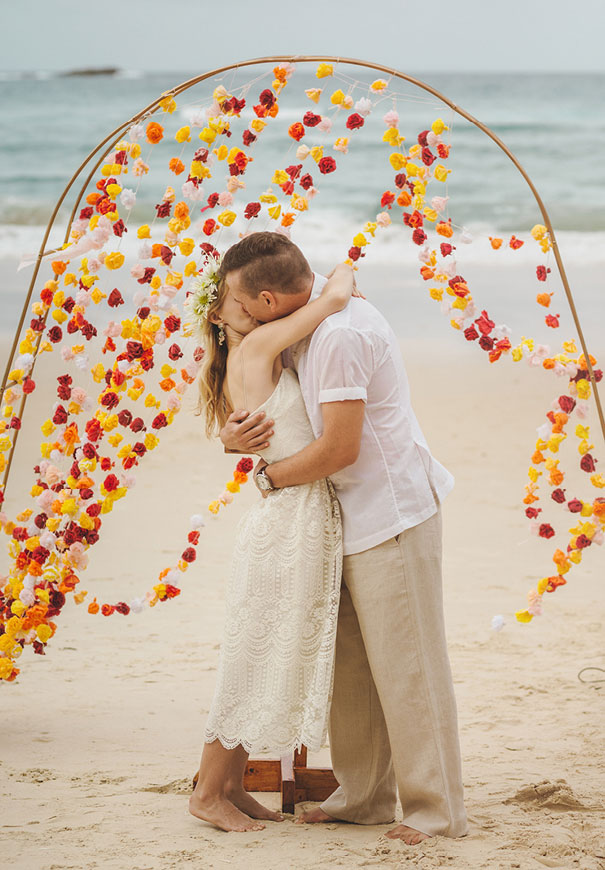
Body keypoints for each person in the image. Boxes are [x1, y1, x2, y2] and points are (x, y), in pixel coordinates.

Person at [219, 231, 469, 845]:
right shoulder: (313, 318)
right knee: (354, 666)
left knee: (409, 667)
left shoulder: (337, 339)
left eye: (238, 301)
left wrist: (269, 479)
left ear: (270, 300)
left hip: (391, 514)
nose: (236, 311)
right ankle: (363, 796)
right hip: (343, 520)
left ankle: (436, 810)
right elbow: (339, 271)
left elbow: (339, 447)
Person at [188, 252, 357, 833]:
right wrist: (348, 267)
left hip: (296, 516)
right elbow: (331, 299)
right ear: (220, 312)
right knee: (249, 659)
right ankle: (207, 792)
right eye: (239, 301)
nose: (252, 308)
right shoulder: (256, 350)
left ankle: (232, 786)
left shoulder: (255, 351)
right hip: (287, 520)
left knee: (264, 655)